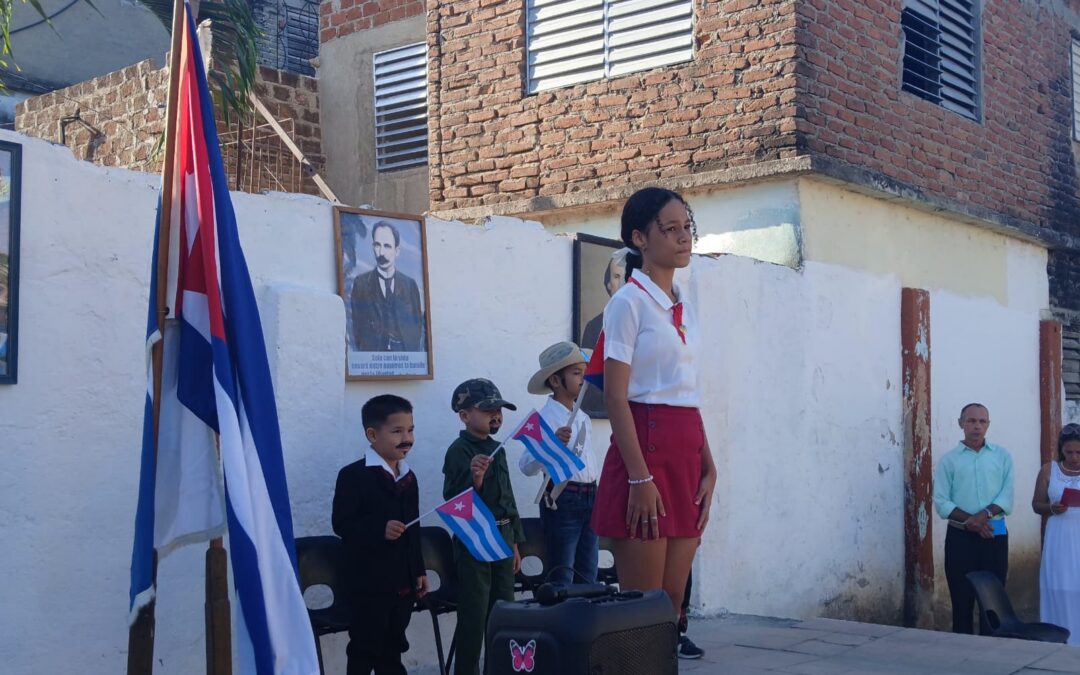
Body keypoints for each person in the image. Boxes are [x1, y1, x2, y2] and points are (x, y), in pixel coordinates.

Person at [590, 187, 718, 623]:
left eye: (688, 227)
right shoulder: (628, 303)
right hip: (645, 456)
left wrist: (709, 463)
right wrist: (639, 478)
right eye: (670, 229)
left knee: (672, 608)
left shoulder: (684, 305)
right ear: (639, 238)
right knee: (642, 614)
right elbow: (614, 396)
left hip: (686, 455)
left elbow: (685, 392)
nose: (684, 238)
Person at [332, 394, 428, 675]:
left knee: (393, 648)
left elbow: (414, 528)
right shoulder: (353, 476)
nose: (406, 438)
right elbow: (342, 524)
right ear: (372, 434)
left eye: (410, 430)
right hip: (368, 585)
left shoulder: (409, 478)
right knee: (365, 648)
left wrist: (418, 569)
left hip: (403, 584)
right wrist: (379, 529)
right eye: (397, 431)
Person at [442, 378, 525, 675]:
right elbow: (453, 500)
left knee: (504, 611)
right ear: (464, 416)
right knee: (474, 614)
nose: (496, 415)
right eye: (488, 408)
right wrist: (474, 479)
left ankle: (500, 668)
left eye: (499, 409)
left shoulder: (497, 449)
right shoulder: (459, 451)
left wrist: (515, 541)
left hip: (502, 536)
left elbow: (507, 497)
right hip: (475, 539)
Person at [519, 341, 601, 584]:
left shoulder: (583, 417)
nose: (582, 379)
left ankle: (587, 619)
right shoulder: (542, 419)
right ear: (555, 381)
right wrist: (549, 446)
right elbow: (525, 466)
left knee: (589, 570)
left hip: (590, 495)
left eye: (584, 373)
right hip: (562, 498)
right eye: (576, 373)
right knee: (562, 571)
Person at [932, 403, 1014, 635]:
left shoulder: (1002, 457)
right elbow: (942, 502)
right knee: (962, 599)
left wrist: (983, 515)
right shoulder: (949, 461)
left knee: (993, 602)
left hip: (995, 534)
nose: (977, 426)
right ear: (961, 424)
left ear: (988, 425)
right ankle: (962, 654)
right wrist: (972, 522)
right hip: (960, 538)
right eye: (971, 421)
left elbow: (1007, 496)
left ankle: (992, 655)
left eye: (982, 421)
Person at [1033, 423, 1080, 644]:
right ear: (1061, 449)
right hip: (1058, 539)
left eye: (1079, 452)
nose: (1074, 457)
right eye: (1069, 452)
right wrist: (1052, 509)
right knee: (1058, 586)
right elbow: (1036, 505)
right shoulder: (1048, 470)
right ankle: (1058, 640)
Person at [350, 220, 425, 352]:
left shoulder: (410, 285)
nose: (381, 253)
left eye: (387, 246)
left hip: (405, 361)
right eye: (377, 245)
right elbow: (358, 327)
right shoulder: (361, 284)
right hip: (373, 362)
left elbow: (417, 325)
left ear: (397, 251)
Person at [580, 255, 627, 417]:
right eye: (616, 276)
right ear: (608, 284)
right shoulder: (594, 327)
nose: (622, 282)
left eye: (627, 276)